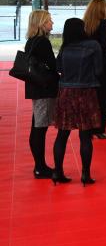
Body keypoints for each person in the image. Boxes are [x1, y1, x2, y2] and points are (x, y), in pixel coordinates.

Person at [51, 18, 101, 185]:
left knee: (62, 134)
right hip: (86, 92)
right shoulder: (93, 45)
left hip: (65, 92)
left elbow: (58, 68)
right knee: (85, 136)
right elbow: (99, 69)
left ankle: (57, 171)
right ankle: (86, 174)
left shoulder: (65, 47)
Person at [24, 10, 58, 179]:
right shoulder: (42, 42)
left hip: (36, 86)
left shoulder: (31, 41)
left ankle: (39, 165)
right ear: (42, 23)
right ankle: (40, 166)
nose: (52, 23)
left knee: (37, 126)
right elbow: (53, 64)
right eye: (49, 20)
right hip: (44, 88)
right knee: (40, 128)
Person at [83, 0, 106, 139]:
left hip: (88, 64)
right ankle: (99, 128)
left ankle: (88, 128)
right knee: (105, 97)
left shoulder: (83, 25)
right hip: (103, 64)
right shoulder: (103, 24)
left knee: (90, 97)